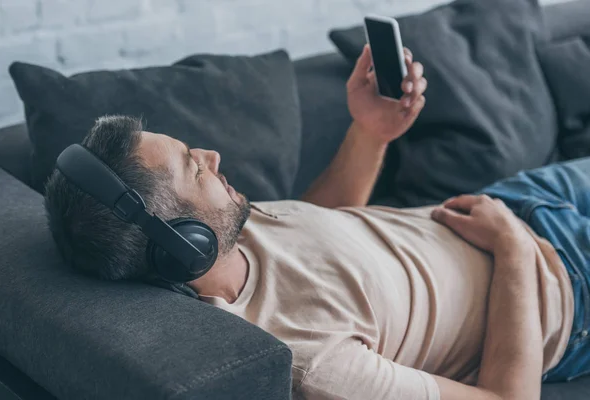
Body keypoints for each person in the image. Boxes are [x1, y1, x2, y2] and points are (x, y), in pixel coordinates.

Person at [43, 44, 590, 400]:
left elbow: (319, 229)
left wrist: (371, 131)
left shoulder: (225, 233)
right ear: (183, 245)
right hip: (567, 287)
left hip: (514, 201)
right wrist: (514, 248)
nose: (211, 154)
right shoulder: (312, 362)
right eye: (193, 166)